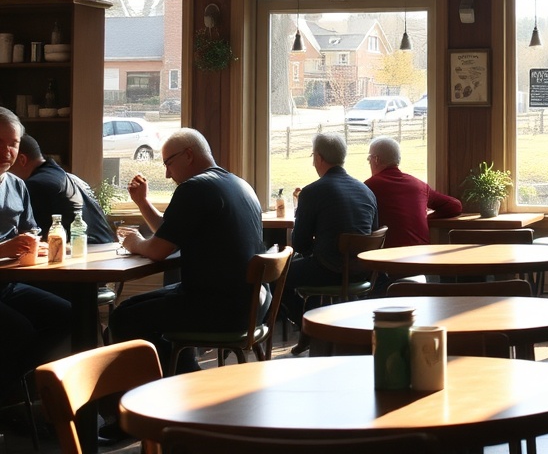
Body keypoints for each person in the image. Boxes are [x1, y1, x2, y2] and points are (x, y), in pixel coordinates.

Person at [108, 128, 266, 374]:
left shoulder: (195, 188)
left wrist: (135, 242)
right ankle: (185, 372)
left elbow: (158, 250)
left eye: (169, 163)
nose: (167, 174)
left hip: (221, 308)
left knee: (123, 318)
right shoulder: (238, 184)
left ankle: (179, 380)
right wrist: (143, 203)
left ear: (189, 155)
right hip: (254, 303)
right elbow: (170, 233)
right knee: (129, 308)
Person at [0, 108, 71, 398]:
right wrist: (3, 249)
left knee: (69, 316)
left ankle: (22, 389)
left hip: (8, 284)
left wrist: (37, 245)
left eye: (13, 143)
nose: (7, 151)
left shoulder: (17, 185)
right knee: (19, 331)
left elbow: (30, 232)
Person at [283, 132, 378, 344]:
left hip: (329, 270)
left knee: (275, 276)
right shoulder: (366, 191)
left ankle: (309, 329)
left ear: (318, 158)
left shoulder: (312, 192)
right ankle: (320, 327)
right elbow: (373, 232)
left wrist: (318, 246)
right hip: (361, 273)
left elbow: (300, 244)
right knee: (316, 260)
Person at [10, 134, 116, 243]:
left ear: (22, 160)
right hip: (105, 247)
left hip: (81, 250)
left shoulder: (35, 185)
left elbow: (29, 237)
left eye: (7, 164)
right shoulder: (73, 178)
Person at [365, 136, 461, 247]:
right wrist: (424, 217)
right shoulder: (419, 185)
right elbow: (455, 206)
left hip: (388, 254)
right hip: (422, 254)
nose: (369, 163)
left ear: (376, 159)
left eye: (369, 159)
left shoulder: (368, 187)